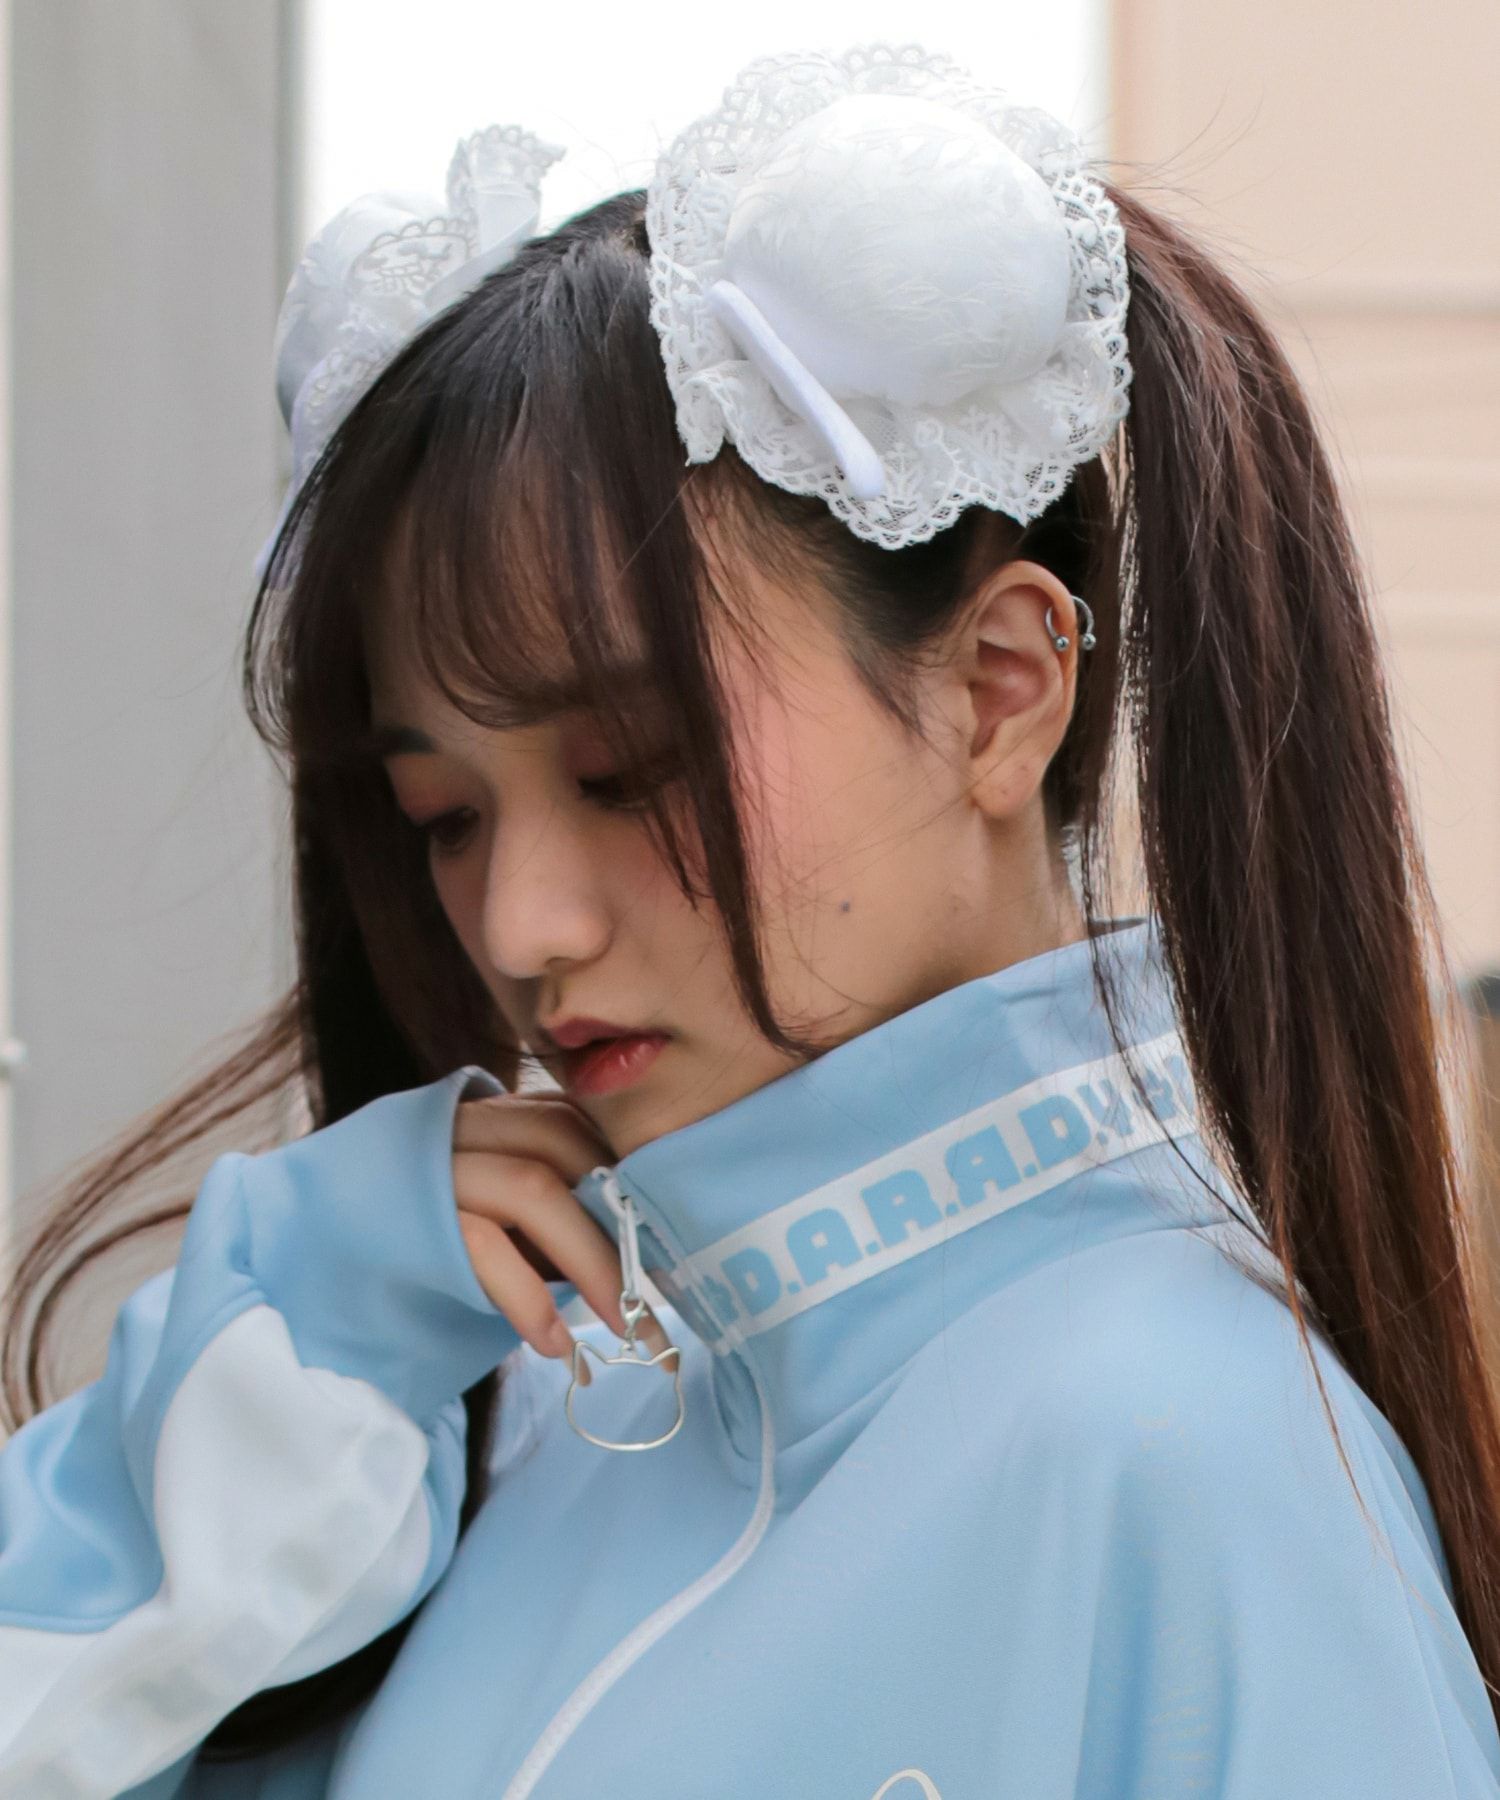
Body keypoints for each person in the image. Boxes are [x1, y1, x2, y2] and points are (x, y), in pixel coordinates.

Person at [2, 38, 1499, 1800]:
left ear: (999, 693)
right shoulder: (482, 1417)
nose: (520, 927)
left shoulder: (1195, 1462)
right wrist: (308, 1342)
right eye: (444, 818)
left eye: (632, 771)